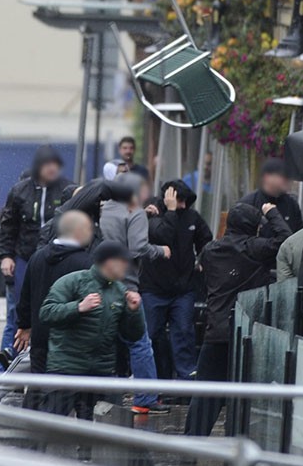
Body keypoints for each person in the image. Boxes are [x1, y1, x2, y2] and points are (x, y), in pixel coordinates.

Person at [186, 202, 291, 436]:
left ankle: (191, 442)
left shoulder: (210, 251)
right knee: (243, 392)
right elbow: (285, 238)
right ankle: (237, 439)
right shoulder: (255, 249)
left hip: (216, 332)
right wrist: (272, 213)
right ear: (253, 227)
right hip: (247, 333)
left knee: (206, 394)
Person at [38, 241, 145, 419]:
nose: (127, 267)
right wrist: (78, 307)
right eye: (123, 262)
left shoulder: (120, 291)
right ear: (108, 262)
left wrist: (134, 312)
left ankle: (84, 449)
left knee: (97, 431)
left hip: (100, 374)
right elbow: (46, 313)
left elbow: (132, 335)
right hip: (67, 371)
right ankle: (33, 448)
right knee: (49, 425)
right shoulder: (73, 281)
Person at [100, 173, 171, 414]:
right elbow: (138, 247)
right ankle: (145, 397)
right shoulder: (135, 212)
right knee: (140, 344)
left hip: (99, 284)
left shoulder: (102, 208)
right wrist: (161, 251)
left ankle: (102, 397)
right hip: (126, 288)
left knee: (104, 342)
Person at [0, 145, 72, 363]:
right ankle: (9, 364)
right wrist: (6, 255)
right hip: (25, 256)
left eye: (54, 165)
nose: (51, 169)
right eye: (47, 164)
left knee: (53, 306)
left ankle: (48, 362)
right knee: (19, 311)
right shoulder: (20, 191)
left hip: (55, 256)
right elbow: (8, 225)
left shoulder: (66, 189)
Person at [140, 180, 212, 385]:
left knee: (184, 332)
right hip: (154, 288)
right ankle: (153, 379)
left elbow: (205, 238)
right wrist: (170, 211)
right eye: (178, 201)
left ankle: (186, 377)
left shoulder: (192, 217)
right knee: (152, 334)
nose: (182, 206)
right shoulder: (154, 214)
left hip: (183, 288)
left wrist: (201, 259)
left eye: (184, 201)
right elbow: (163, 234)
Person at [13, 210, 95, 379]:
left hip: (40, 336)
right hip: (71, 341)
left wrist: (25, 324)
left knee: (38, 388)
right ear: (78, 231)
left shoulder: (37, 257)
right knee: (66, 394)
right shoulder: (87, 263)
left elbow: (25, 296)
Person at [238, 158, 303, 234]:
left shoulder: (292, 205)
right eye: (283, 176)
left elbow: (299, 235)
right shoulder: (248, 204)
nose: (288, 180)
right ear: (267, 177)